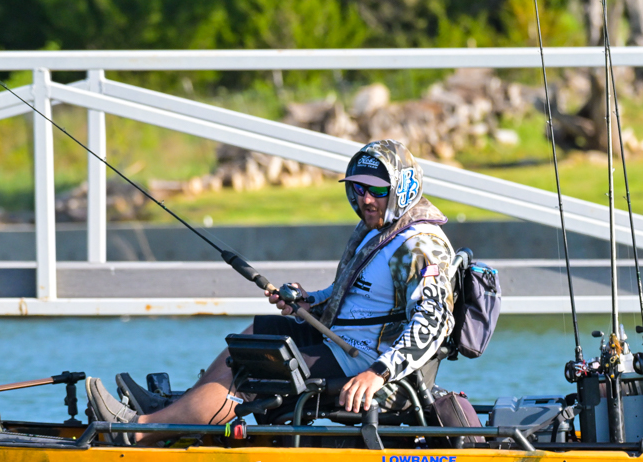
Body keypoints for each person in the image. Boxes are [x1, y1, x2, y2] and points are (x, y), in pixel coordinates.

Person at [85, 139, 457, 445]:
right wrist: (310, 301)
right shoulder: (380, 230)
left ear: (403, 189)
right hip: (343, 341)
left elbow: (435, 322)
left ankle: (138, 432)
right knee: (254, 336)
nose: (366, 200)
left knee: (251, 369)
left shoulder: (419, 245)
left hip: (365, 360)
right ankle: (173, 411)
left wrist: (378, 373)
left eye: (376, 190)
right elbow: (357, 295)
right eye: (358, 189)